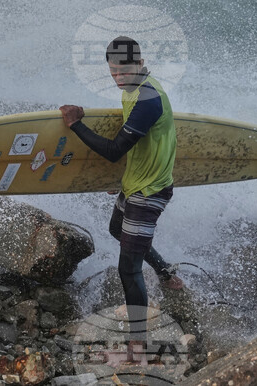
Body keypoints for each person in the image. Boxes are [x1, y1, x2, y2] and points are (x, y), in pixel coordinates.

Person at [60, 36, 183, 364]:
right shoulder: (134, 89)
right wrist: (124, 181)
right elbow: (141, 146)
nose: (119, 78)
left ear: (140, 63)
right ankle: (165, 271)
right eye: (113, 72)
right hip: (135, 183)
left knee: (128, 269)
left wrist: (76, 125)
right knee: (116, 230)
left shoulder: (147, 100)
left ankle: (138, 346)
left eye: (125, 71)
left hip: (150, 191)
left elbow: (115, 151)